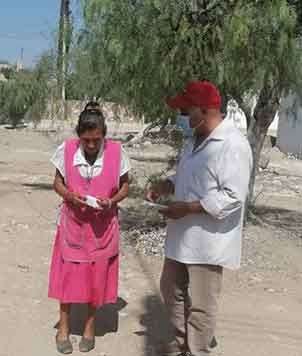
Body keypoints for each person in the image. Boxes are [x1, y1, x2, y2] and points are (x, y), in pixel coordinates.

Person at [147, 81, 252, 356]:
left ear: (204, 110)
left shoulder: (233, 145)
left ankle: (196, 350)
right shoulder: (194, 140)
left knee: (202, 304)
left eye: (185, 110)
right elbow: (188, 177)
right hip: (182, 237)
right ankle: (179, 345)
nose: (181, 116)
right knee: (171, 290)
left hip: (208, 242)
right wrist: (166, 185)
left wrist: (188, 208)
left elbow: (233, 196)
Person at [49, 104, 130, 354]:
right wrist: (70, 196)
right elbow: (57, 183)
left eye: (97, 140)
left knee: (96, 278)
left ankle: (89, 326)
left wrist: (112, 201)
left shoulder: (117, 152)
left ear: (104, 135)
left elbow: (125, 186)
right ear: (79, 136)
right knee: (69, 276)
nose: (92, 145)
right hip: (73, 226)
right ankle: (63, 327)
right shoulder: (67, 150)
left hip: (102, 228)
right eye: (87, 140)